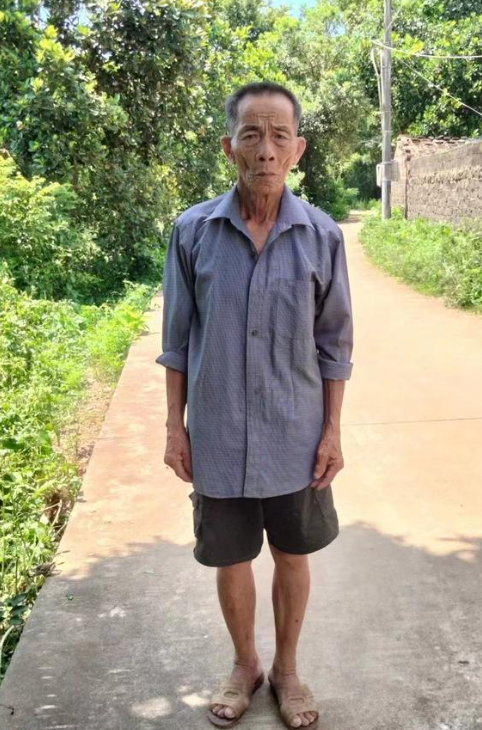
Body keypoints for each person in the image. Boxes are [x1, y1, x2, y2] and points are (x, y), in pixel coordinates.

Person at [155, 80, 354, 729]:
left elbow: (335, 345)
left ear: (297, 149)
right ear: (229, 147)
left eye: (278, 136)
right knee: (231, 557)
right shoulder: (193, 232)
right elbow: (177, 341)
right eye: (251, 134)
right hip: (218, 432)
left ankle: (287, 670)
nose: (265, 149)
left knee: (294, 554)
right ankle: (245, 665)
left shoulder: (322, 236)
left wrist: (333, 431)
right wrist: (175, 427)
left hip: (297, 435)